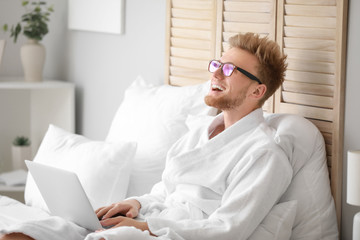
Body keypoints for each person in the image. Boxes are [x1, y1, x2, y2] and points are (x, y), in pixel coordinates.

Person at [0, 32, 289, 240]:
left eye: (230, 70)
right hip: (149, 220)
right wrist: (136, 204)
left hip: (174, 233)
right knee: (21, 234)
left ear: (257, 91)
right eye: (217, 65)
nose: (216, 75)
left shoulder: (263, 154)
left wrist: (143, 227)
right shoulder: (200, 131)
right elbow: (165, 189)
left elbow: (229, 229)